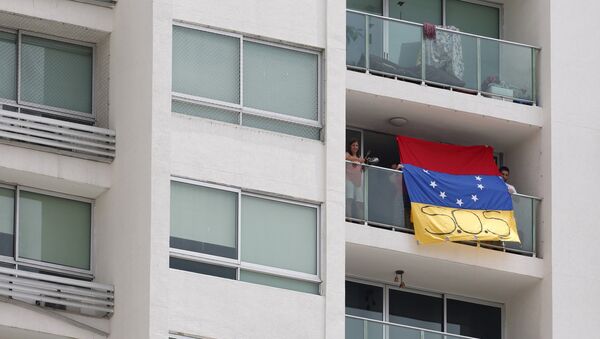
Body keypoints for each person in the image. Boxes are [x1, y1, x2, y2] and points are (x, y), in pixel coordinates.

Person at [346, 140, 365, 220]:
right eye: (353, 145)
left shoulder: (360, 157)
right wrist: (360, 161)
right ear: (350, 146)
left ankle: (361, 222)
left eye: (357, 145)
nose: (355, 147)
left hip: (358, 182)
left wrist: (364, 165)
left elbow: (362, 170)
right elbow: (348, 158)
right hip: (349, 180)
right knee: (349, 201)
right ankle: (349, 220)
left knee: (359, 203)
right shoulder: (347, 154)